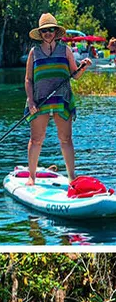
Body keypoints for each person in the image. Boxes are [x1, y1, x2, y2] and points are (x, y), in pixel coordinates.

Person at [24, 14, 90, 184]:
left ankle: (72, 177)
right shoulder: (34, 52)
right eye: (44, 30)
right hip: (39, 101)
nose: (48, 33)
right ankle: (32, 176)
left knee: (66, 139)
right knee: (36, 139)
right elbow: (28, 80)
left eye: (50, 30)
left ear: (55, 31)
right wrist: (31, 101)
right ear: (40, 33)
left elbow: (75, 75)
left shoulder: (65, 50)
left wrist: (84, 67)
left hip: (62, 99)